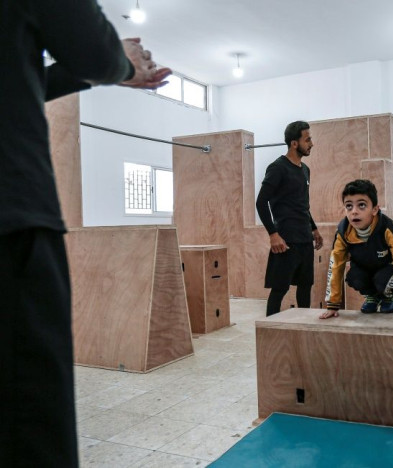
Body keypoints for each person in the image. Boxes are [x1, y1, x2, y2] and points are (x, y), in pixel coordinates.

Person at [0, 2, 170, 465]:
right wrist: (119, 63)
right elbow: (91, 49)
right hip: (12, 217)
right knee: (29, 420)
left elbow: (23, 83)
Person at [320, 180, 393, 324]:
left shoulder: (387, 228)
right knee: (354, 277)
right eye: (349, 206)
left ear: (375, 209)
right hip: (363, 269)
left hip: (386, 270)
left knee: (382, 280)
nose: (354, 211)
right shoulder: (343, 232)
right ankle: (372, 297)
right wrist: (332, 305)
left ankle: (389, 297)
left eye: (361, 205)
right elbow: (335, 266)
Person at [256, 121, 323, 316]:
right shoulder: (277, 168)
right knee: (280, 289)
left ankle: (304, 329)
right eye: (307, 139)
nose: (311, 143)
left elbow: (303, 204)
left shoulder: (305, 170)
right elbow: (261, 202)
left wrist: (314, 228)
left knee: (305, 287)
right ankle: (270, 332)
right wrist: (273, 234)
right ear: (294, 143)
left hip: (304, 239)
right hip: (285, 240)